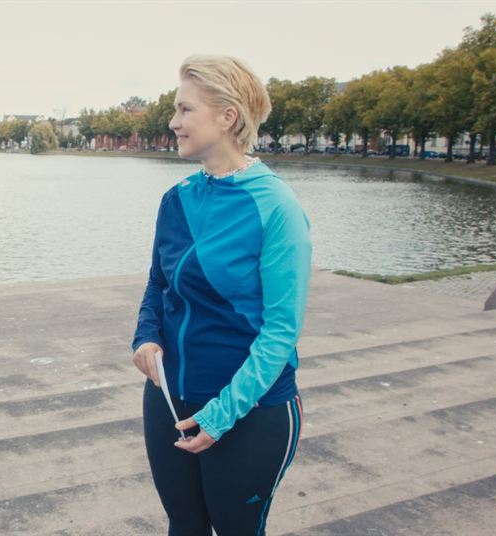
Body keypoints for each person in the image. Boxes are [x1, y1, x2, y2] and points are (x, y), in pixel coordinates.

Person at [130, 54, 312, 535]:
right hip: (170, 402)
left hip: (252, 413)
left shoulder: (276, 207)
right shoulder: (177, 199)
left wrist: (221, 415)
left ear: (228, 116)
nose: (173, 122)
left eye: (185, 110)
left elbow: (281, 332)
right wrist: (145, 338)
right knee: (185, 527)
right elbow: (158, 285)